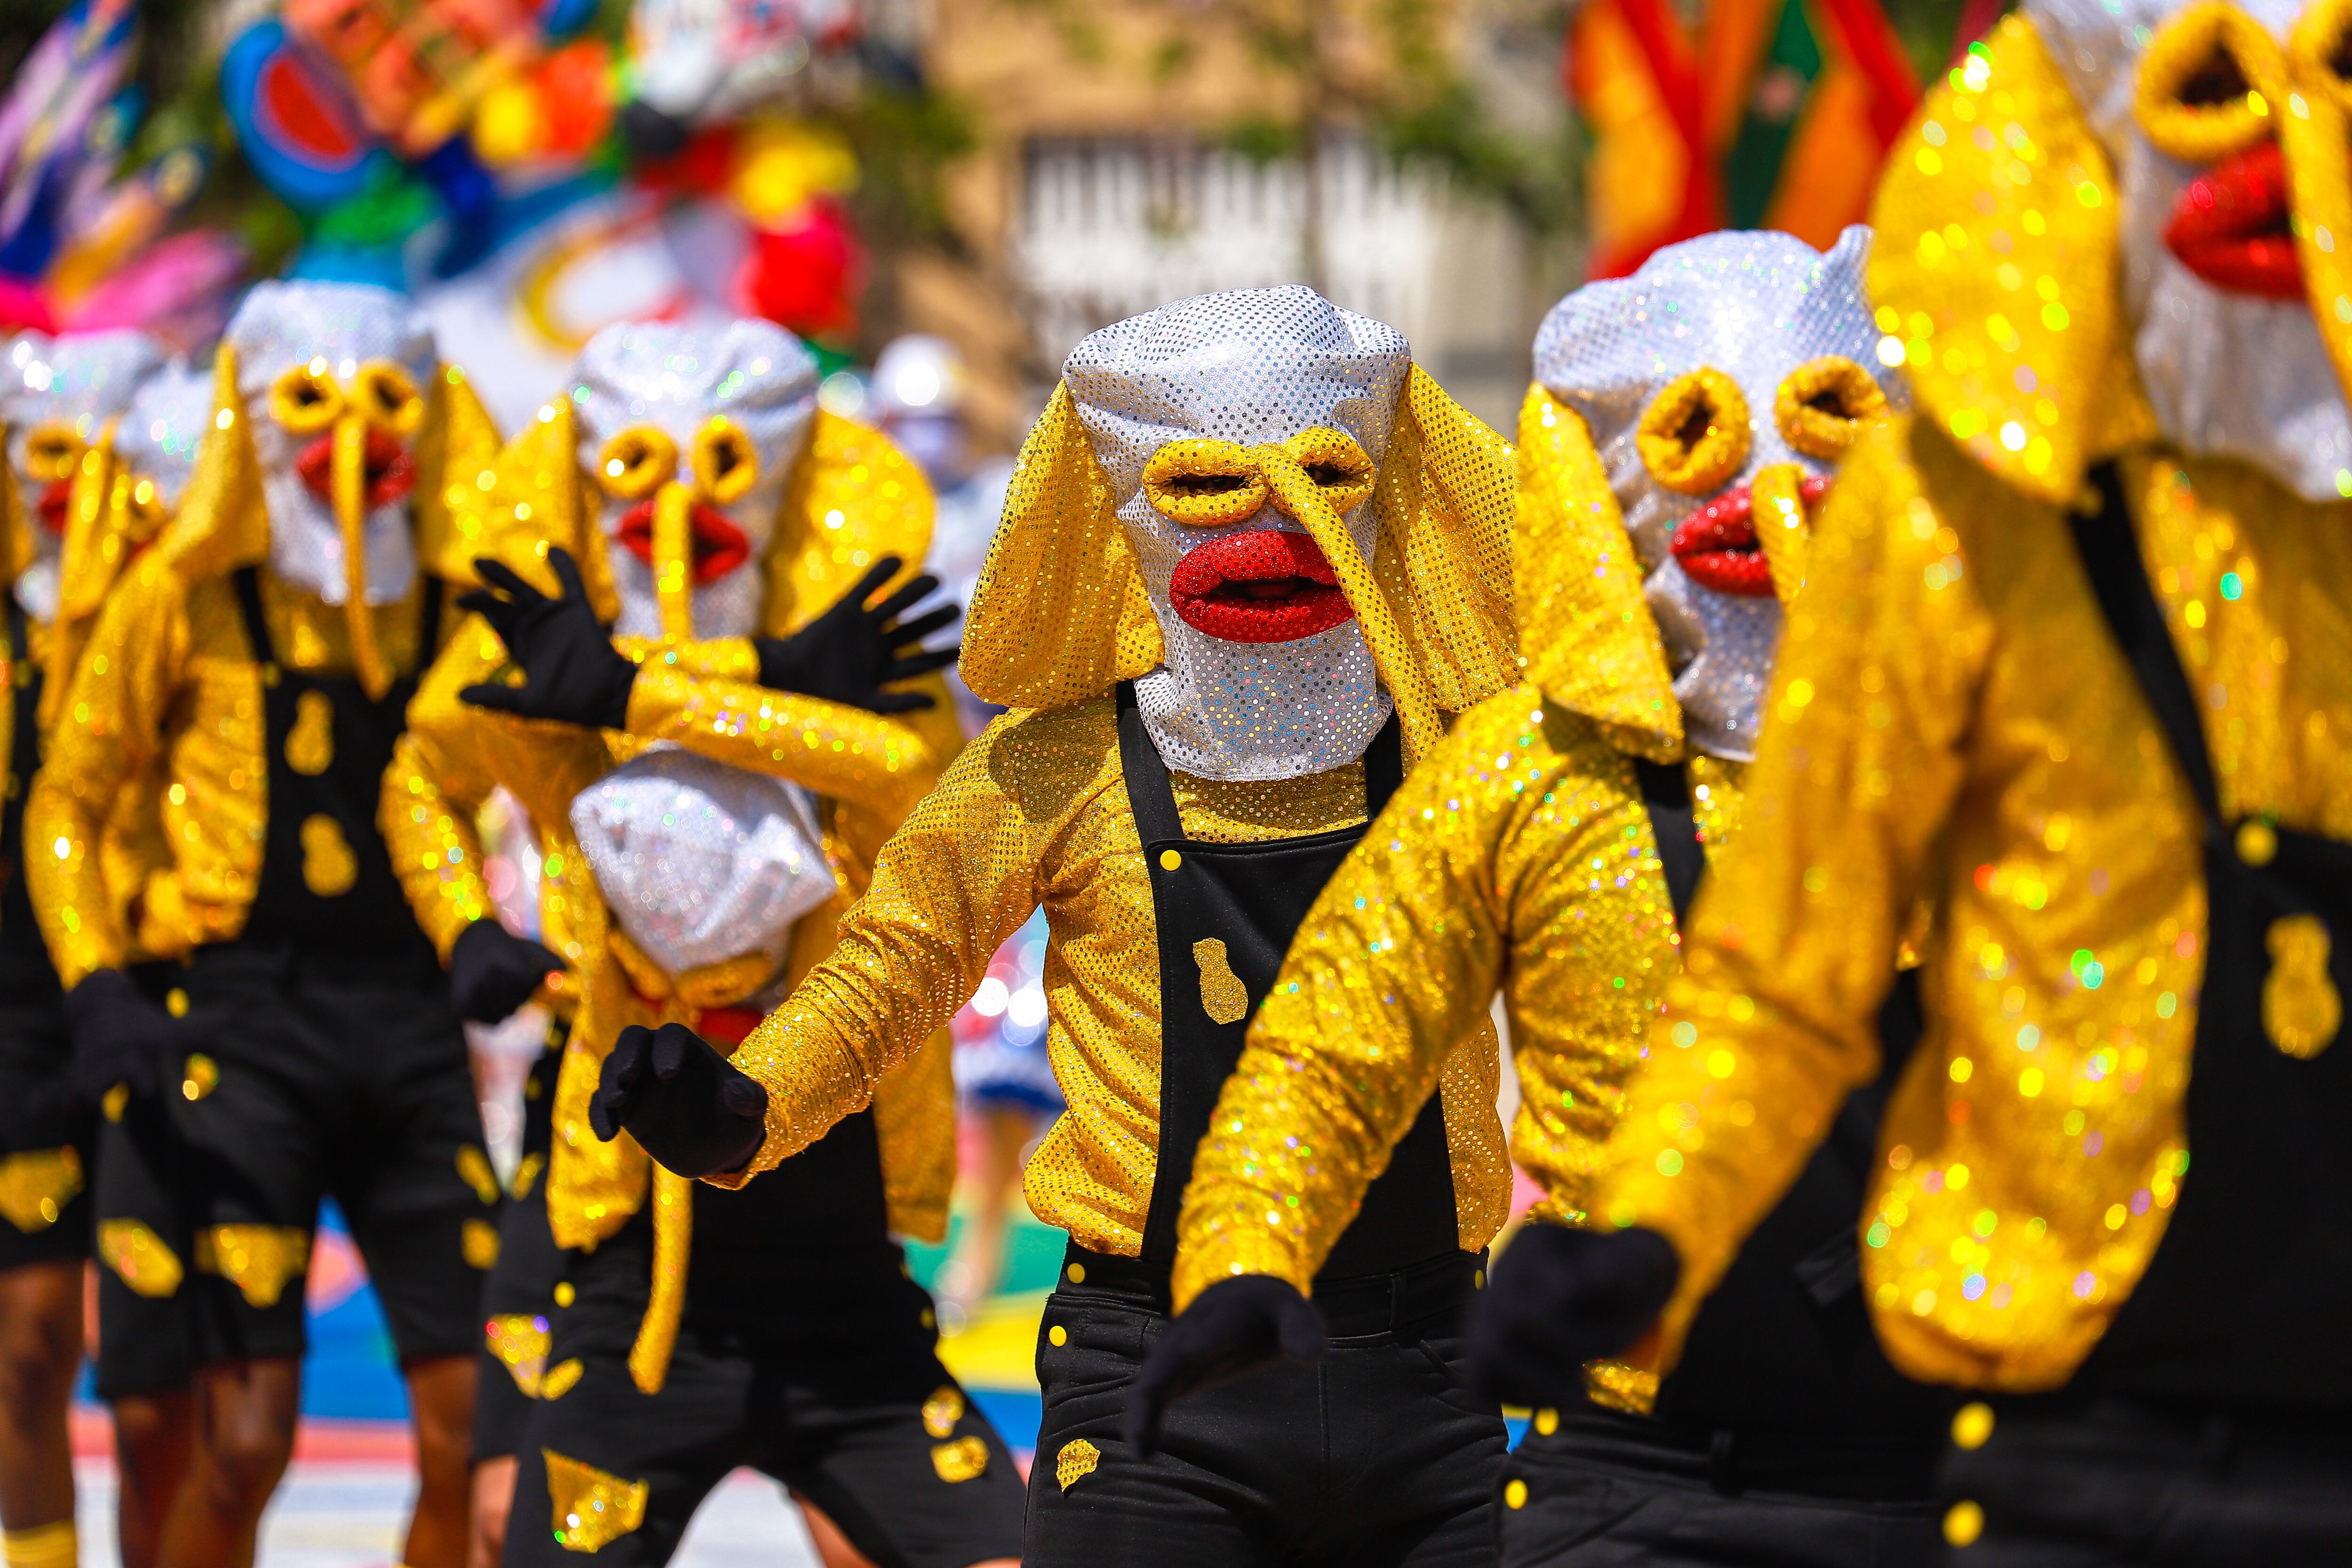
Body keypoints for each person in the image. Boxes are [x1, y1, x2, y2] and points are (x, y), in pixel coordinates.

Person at [1489, 2, 2352, 1562]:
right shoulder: (1953, 534)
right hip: (2061, 1443)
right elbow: (1780, 976)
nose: (2274, 138)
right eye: (2211, 82)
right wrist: (1651, 1233)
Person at [595, 286, 1524, 1567]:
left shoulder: (1469, 756)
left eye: (1319, 475)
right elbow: (898, 964)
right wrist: (749, 1102)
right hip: (1156, 1383)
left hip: (1428, 1362)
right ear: (1124, 507)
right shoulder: (1058, 766)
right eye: (1209, 486)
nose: (1276, 522)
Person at [1135, 230, 1957, 1566]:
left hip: (1965, 1469)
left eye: (1817, 429)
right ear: (1605, 488)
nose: (1760, 496)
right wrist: (1243, 1254)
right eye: (1692, 436)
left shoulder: (1998, 752)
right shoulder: (1528, 771)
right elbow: (1335, 1047)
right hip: (1634, 1479)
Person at [392, 317, 1025, 1568]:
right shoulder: (530, 631)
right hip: (626, 1217)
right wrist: (465, 925)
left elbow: (912, 778)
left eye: (721, 465)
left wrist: (707, 676)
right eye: (637, 466)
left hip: (831, 1219)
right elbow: (423, 767)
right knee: (493, 1521)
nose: (675, 507)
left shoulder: (869, 633)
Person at [28, 281, 505, 1568]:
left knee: (478, 1430)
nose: (352, 438)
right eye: (311, 400)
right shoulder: (180, 598)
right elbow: (69, 799)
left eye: (384, 401)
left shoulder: (460, 608)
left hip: (412, 1026)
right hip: (240, 1032)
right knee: (238, 1438)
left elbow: (542, 776)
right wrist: (99, 988)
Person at [0, 328, 173, 1568]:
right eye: (50, 454)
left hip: (171, 991)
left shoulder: (181, 620)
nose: (78, 484)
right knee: (29, 1336)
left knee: (166, 1369)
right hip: (18, 1008)